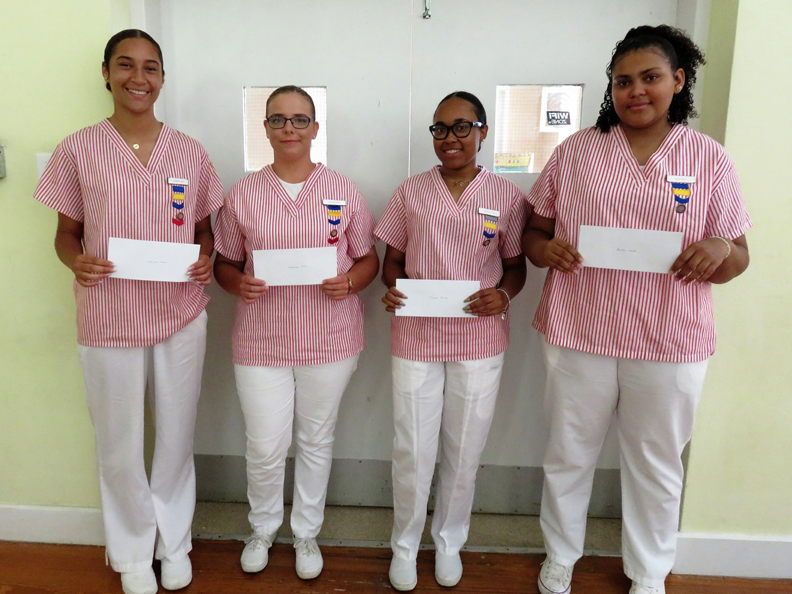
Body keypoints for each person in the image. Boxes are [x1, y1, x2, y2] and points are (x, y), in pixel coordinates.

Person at [522, 25, 751, 594]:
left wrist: (720, 248)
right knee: (568, 455)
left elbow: (739, 254)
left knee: (656, 464)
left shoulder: (708, 158)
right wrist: (545, 249)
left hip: (669, 340)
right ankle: (560, 557)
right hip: (580, 330)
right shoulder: (577, 151)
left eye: (650, 78)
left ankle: (649, 572)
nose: (636, 91)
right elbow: (535, 231)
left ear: (678, 80)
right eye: (623, 81)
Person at [33, 29, 224, 594]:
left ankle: (175, 541)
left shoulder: (190, 152)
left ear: (163, 78)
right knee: (117, 440)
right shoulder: (79, 148)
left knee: (175, 434)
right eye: (126, 65)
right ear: (106, 72)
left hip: (180, 312)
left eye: (151, 68)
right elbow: (66, 235)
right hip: (109, 315)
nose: (139, 78)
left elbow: (206, 232)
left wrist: (206, 260)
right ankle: (134, 551)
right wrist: (77, 263)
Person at [213, 85, 378, 581]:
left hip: (329, 340)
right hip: (261, 341)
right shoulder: (243, 193)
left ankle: (306, 531)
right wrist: (238, 282)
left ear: (315, 128)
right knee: (264, 444)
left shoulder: (342, 191)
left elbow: (368, 257)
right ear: (264, 127)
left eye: (300, 119)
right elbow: (224, 262)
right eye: (279, 119)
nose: (290, 129)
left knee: (315, 439)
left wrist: (350, 281)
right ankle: (262, 527)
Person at [375, 91, 528, 591]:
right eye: (440, 129)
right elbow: (391, 262)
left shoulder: (506, 197)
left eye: (462, 127)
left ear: (482, 131)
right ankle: (404, 545)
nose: (450, 139)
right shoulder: (410, 192)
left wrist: (503, 296)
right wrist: (393, 288)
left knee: (464, 448)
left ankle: (449, 542)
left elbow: (514, 266)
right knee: (412, 449)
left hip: (479, 339)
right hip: (417, 335)